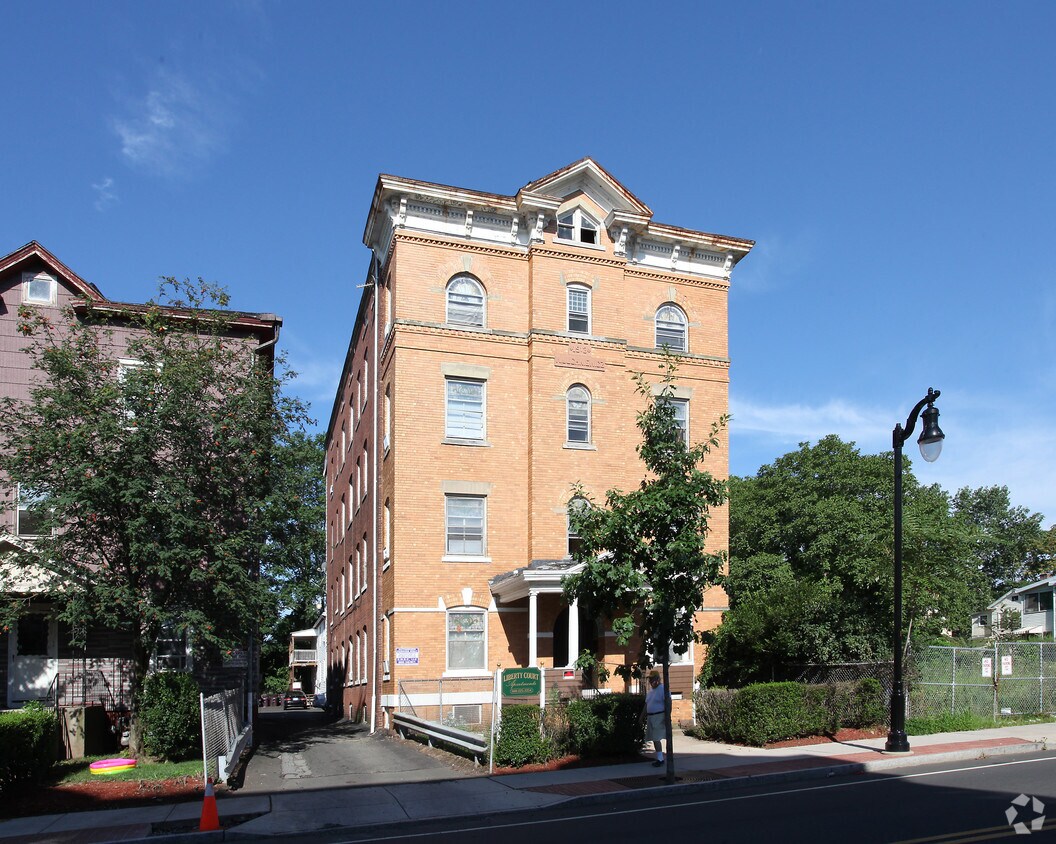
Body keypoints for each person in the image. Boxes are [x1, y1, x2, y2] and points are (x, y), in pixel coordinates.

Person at [641, 669, 668, 767]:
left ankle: (660, 759)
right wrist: (642, 716)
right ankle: (660, 757)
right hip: (651, 716)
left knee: (657, 738)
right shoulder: (651, 691)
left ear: (657, 679)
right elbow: (646, 704)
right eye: (650, 679)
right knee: (653, 738)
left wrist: (667, 716)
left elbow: (668, 702)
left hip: (659, 715)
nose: (651, 681)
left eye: (652, 679)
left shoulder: (663, 689)